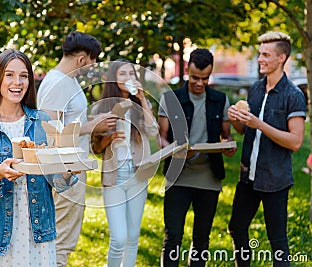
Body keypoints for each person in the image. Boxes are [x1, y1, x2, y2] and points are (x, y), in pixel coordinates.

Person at [0, 49, 78, 266]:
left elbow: (57, 182)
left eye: (24, 76)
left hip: (37, 231)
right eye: (10, 75)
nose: (18, 82)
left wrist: (68, 169)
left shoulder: (42, 122)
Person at [36, 31, 117, 266]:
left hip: (71, 168)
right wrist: (90, 126)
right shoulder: (59, 83)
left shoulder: (66, 82)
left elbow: (68, 123)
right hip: (64, 171)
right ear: (82, 59)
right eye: (92, 61)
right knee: (62, 241)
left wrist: (92, 125)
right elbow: (47, 132)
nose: (92, 67)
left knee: (62, 239)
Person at [227, 31, 306, 266]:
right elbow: (244, 131)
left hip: (275, 180)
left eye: (265, 55)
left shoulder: (294, 95)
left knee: (277, 241)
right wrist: (235, 120)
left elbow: (296, 142)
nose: (260, 59)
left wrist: (259, 124)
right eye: (259, 54)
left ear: (281, 58)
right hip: (247, 176)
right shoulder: (256, 89)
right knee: (236, 227)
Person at [158, 48, 237, 267]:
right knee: (173, 236)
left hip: (209, 178)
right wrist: (176, 149)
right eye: (195, 78)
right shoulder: (170, 98)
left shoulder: (220, 100)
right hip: (178, 176)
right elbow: (161, 138)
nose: (200, 83)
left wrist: (228, 146)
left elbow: (226, 134)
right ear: (187, 71)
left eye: (205, 78)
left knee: (201, 239)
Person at [90, 59, 159, 266]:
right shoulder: (101, 109)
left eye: (131, 73)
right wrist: (108, 138)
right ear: (113, 79)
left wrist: (143, 99)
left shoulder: (139, 106)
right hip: (114, 176)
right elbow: (95, 149)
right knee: (118, 238)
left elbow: (153, 131)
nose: (128, 77)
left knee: (132, 236)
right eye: (122, 74)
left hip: (137, 175)